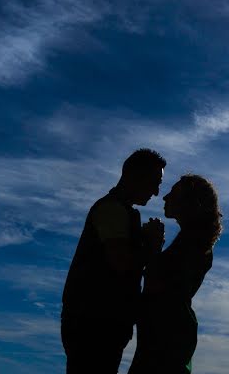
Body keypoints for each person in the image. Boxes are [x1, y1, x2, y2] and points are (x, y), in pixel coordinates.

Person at [62, 148, 166, 374]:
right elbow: (121, 262)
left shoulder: (122, 212)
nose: (157, 192)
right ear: (135, 176)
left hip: (103, 324)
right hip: (94, 325)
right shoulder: (112, 209)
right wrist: (151, 245)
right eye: (154, 182)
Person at [129, 173, 223, 374]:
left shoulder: (193, 245)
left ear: (190, 203)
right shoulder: (193, 243)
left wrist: (153, 247)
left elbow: (161, 286)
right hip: (165, 333)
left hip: (165, 337)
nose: (164, 197)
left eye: (173, 193)